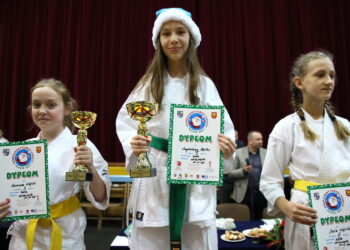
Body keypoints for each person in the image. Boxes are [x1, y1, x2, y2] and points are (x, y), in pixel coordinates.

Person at [116, 8, 236, 250]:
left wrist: (226, 146)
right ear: (158, 41)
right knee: (152, 239)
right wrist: (135, 144)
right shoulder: (147, 85)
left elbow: (224, 128)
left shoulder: (205, 86)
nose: (173, 39)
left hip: (195, 177)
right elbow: (127, 124)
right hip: (155, 178)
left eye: (180, 32)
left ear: (191, 38)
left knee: (196, 238)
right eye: (166, 33)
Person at [260, 50, 350, 249]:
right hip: (305, 211)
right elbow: (269, 181)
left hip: (343, 211)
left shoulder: (345, 127)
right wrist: (287, 207)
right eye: (320, 75)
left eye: (332, 75)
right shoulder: (286, 128)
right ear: (299, 82)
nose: (328, 81)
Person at [7, 78, 111, 250]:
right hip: (24, 234)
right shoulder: (22, 150)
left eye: (51, 105)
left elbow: (100, 197)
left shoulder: (81, 145)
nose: (42, 111)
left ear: (67, 109)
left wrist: (90, 168)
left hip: (65, 233)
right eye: (36, 104)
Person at [227, 130, 266, 220]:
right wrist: (243, 170)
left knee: (260, 219)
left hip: (261, 193)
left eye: (261, 139)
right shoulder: (238, 153)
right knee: (244, 218)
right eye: (258, 139)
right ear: (250, 141)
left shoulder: (266, 153)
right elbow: (230, 173)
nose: (261, 141)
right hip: (244, 193)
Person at [219, 130, 246, 203]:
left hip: (237, 177)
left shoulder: (240, 144)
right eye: (234, 136)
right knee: (223, 200)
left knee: (237, 201)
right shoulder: (222, 144)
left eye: (236, 136)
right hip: (225, 177)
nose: (235, 138)